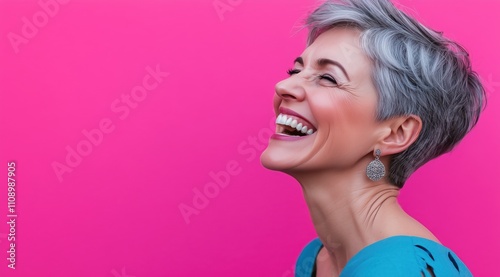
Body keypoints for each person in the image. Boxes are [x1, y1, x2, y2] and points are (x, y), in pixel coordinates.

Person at [260, 0, 486, 276]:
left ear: (395, 133)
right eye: (296, 71)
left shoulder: (401, 270)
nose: (284, 86)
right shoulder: (316, 259)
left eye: (328, 78)